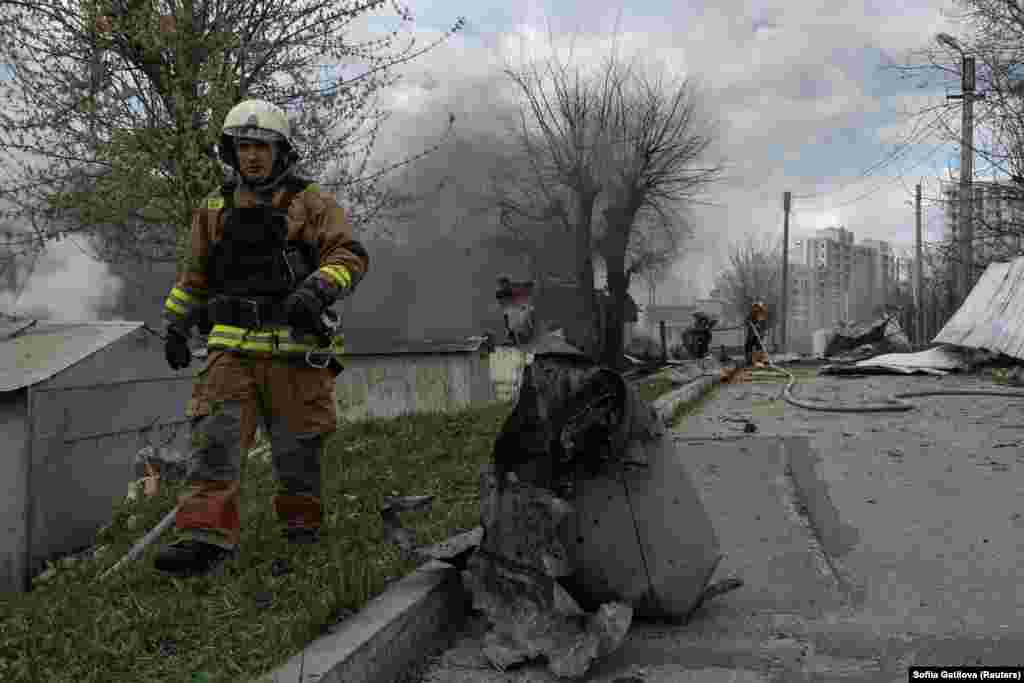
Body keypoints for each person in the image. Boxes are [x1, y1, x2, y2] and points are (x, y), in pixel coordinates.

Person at [156, 99, 370, 576]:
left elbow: (349, 255)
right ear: (230, 152)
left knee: (299, 450)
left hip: (296, 353)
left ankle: (302, 530)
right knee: (214, 441)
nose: (252, 156)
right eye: (243, 146)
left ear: (282, 151)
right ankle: (203, 540)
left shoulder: (312, 203)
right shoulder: (214, 208)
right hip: (230, 349)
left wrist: (319, 286)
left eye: (262, 146)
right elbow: (194, 278)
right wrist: (176, 324)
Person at [744, 301, 769, 368]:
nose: (755, 309)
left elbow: (763, 324)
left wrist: (759, 328)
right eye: (754, 307)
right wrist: (749, 322)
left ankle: (760, 360)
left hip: (759, 334)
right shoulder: (751, 314)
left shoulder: (763, 314)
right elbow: (746, 321)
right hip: (751, 334)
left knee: (759, 346)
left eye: (757, 307)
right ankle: (749, 360)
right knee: (748, 345)